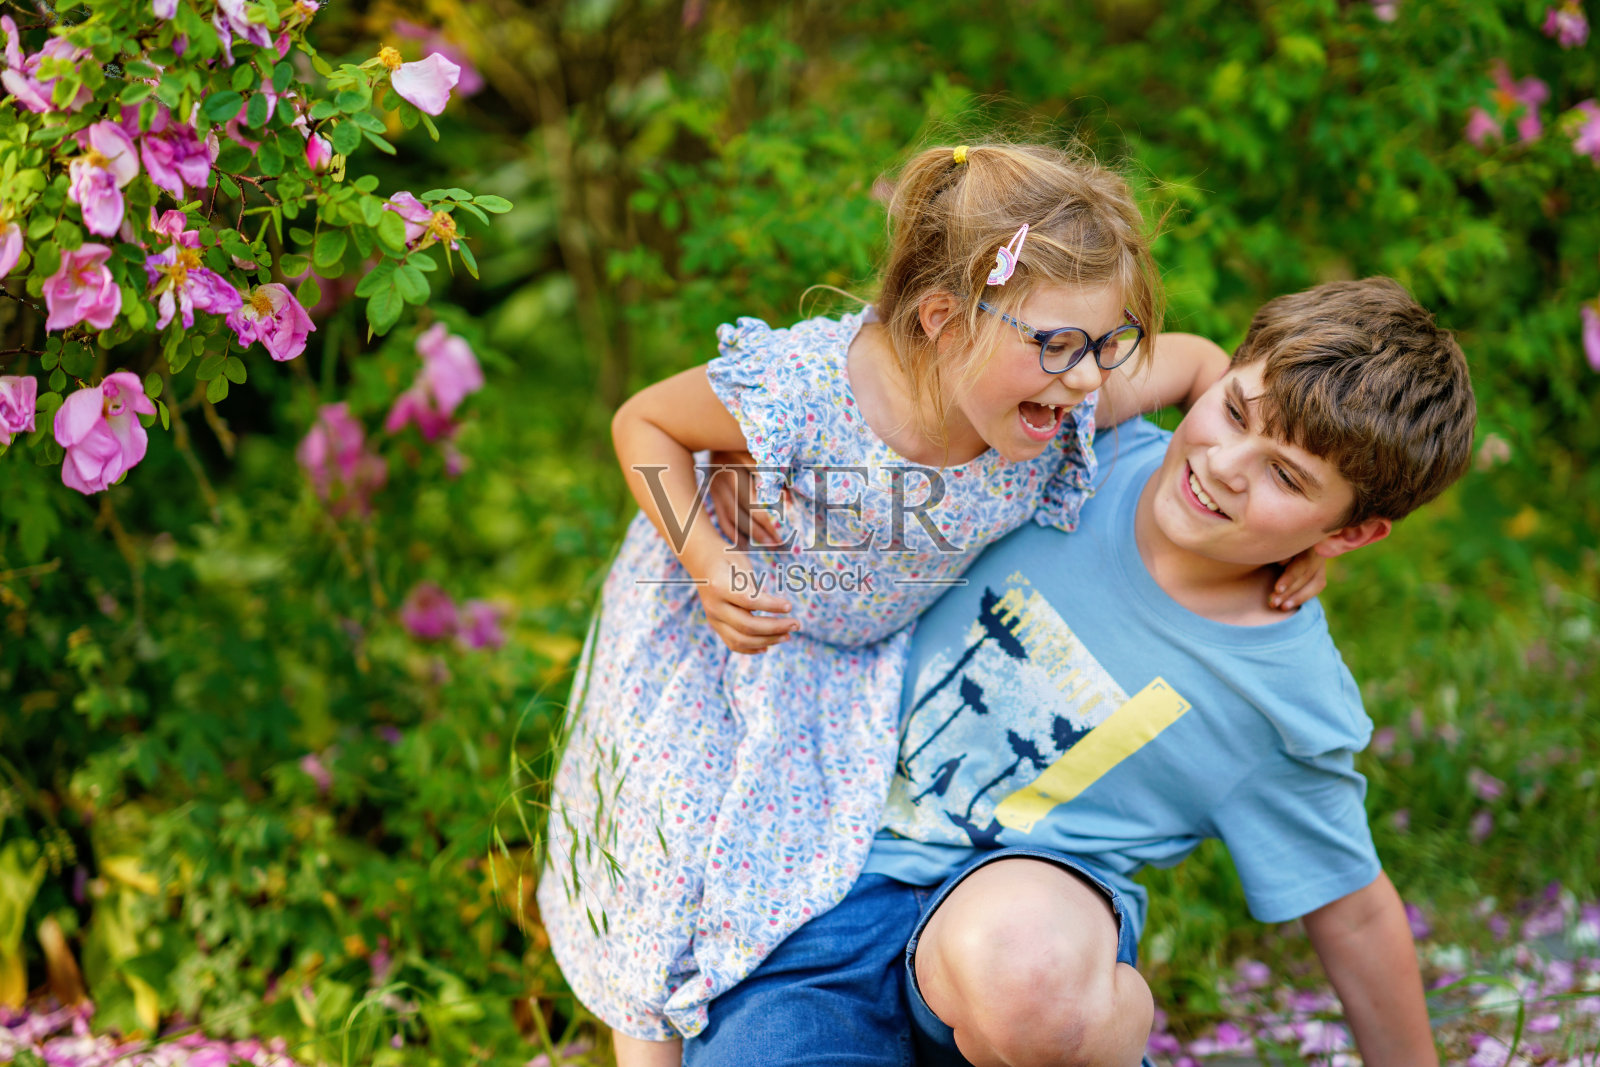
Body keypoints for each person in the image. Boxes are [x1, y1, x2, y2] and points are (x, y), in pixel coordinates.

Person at [536, 141, 1322, 1066]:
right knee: (667, 856)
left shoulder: (1058, 396)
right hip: (724, 637)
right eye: (1058, 346)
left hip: (846, 667)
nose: (1087, 379)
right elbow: (645, 422)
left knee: (779, 875)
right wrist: (708, 559)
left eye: (1107, 344)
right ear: (944, 319)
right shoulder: (814, 388)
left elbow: (1198, 369)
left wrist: (1300, 528)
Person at [686, 277, 1476, 1067]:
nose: (1227, 465)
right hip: (815, 882)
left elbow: (1352, 909)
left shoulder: (1278, 693)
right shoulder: (1068, 448)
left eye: (1287, 477)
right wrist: (748, 451)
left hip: (1023, 919)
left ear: (1349, 533)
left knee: (1028, 973)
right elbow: (898, 410)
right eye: (1235, 413)